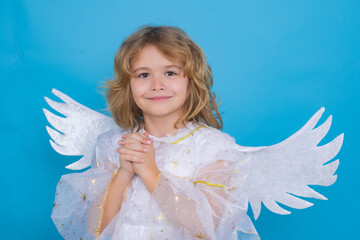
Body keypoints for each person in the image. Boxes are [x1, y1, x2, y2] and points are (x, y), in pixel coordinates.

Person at [49, 25, 343, 240]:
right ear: (128, 86)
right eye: (143, 74)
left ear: (192, 81)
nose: (156, 84)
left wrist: (150, 172)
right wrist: (124, 172)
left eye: (170, 72)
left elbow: (207, 226)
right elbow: (95, 229)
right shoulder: (113, 145)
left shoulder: (214, 148)